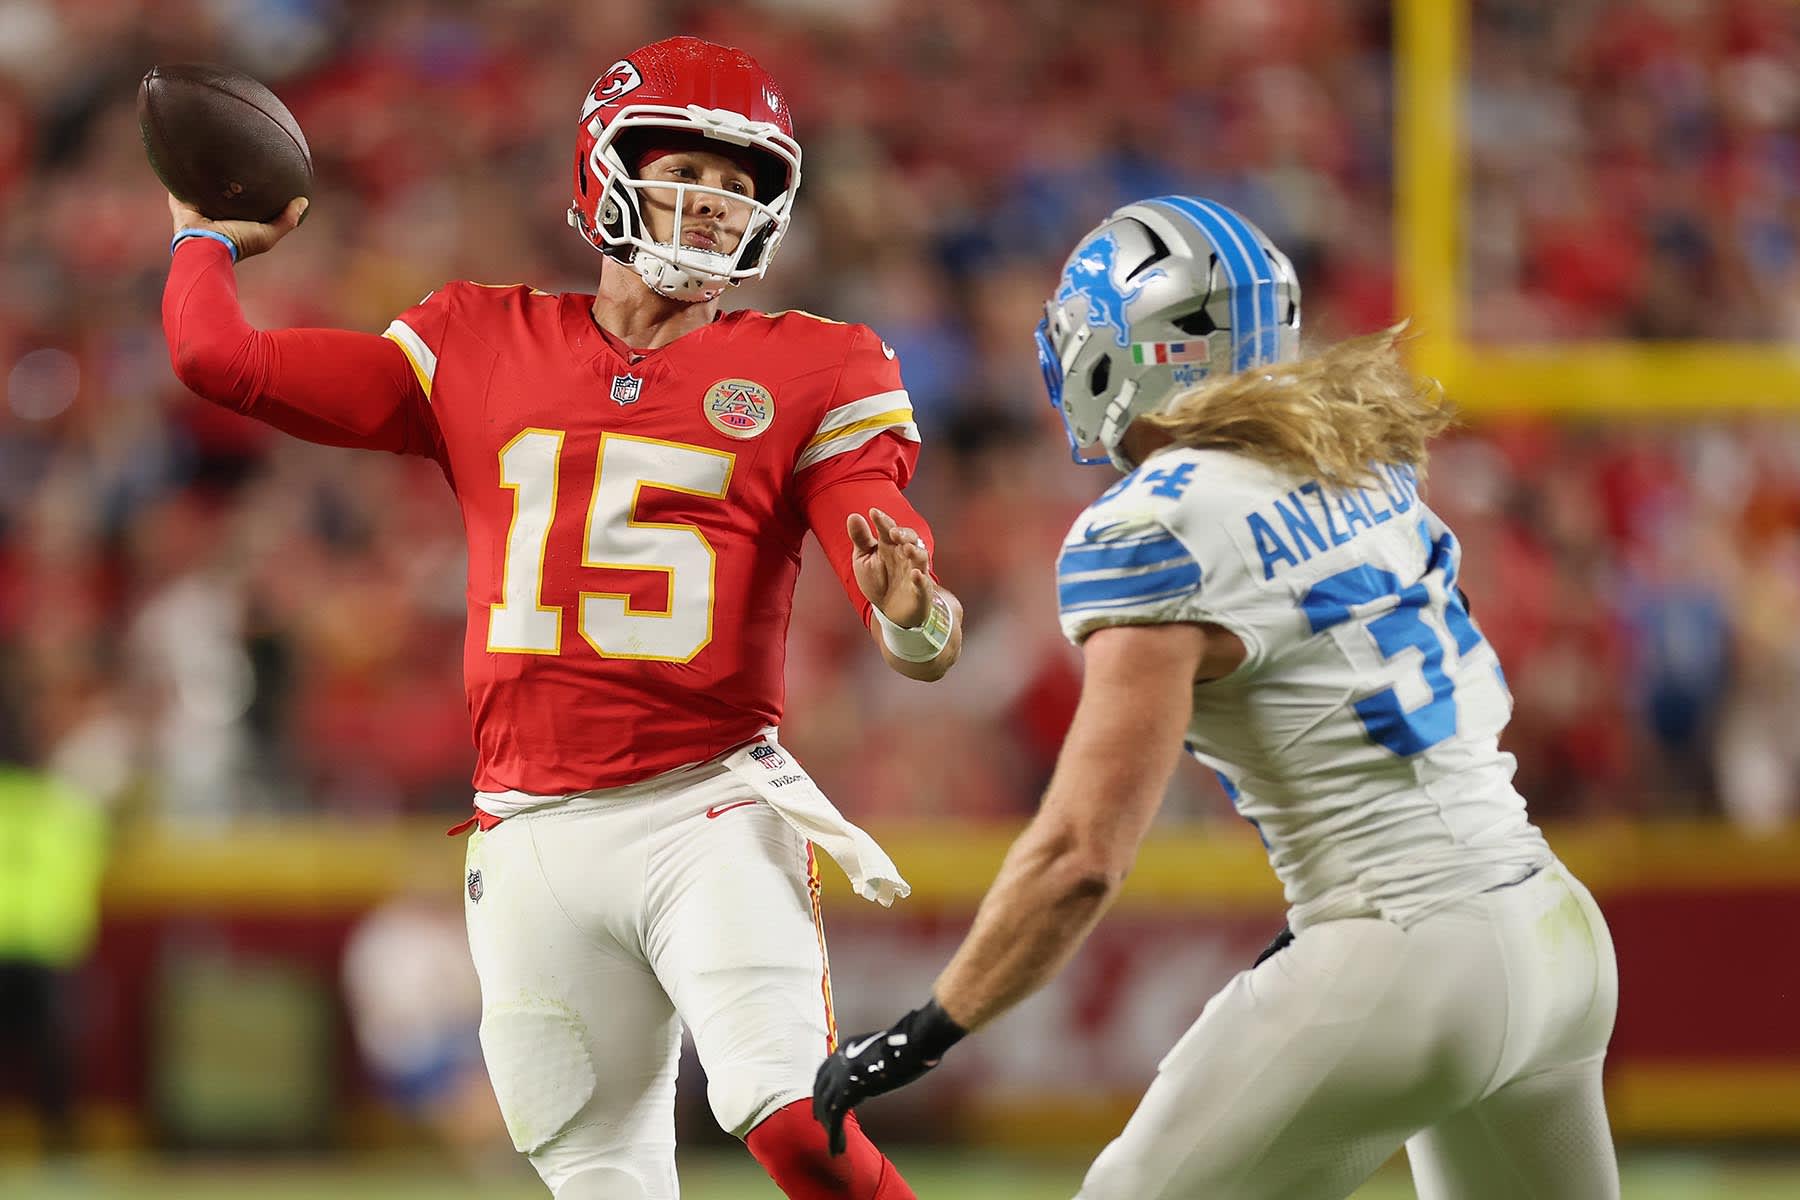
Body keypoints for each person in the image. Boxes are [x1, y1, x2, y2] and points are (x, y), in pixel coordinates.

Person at [163, 35, 958, 1200]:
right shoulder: (476, 340)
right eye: (692, 169)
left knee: (790, 1120)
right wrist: (201, 232)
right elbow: (216, 359)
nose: (716, 204)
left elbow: (880, 535)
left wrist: (912, 614)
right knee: (598, 1179)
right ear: (607, 170)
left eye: (744, 185)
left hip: (711, 806)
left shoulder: (814, 367)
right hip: (529, 833)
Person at [813, 196, 1620, 1200]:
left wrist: (926, 1031)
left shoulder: (1157, 525)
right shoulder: (1358, 459)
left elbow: (1080, 859)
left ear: (1141, 351)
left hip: (1406, 950)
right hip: (1555, 937)